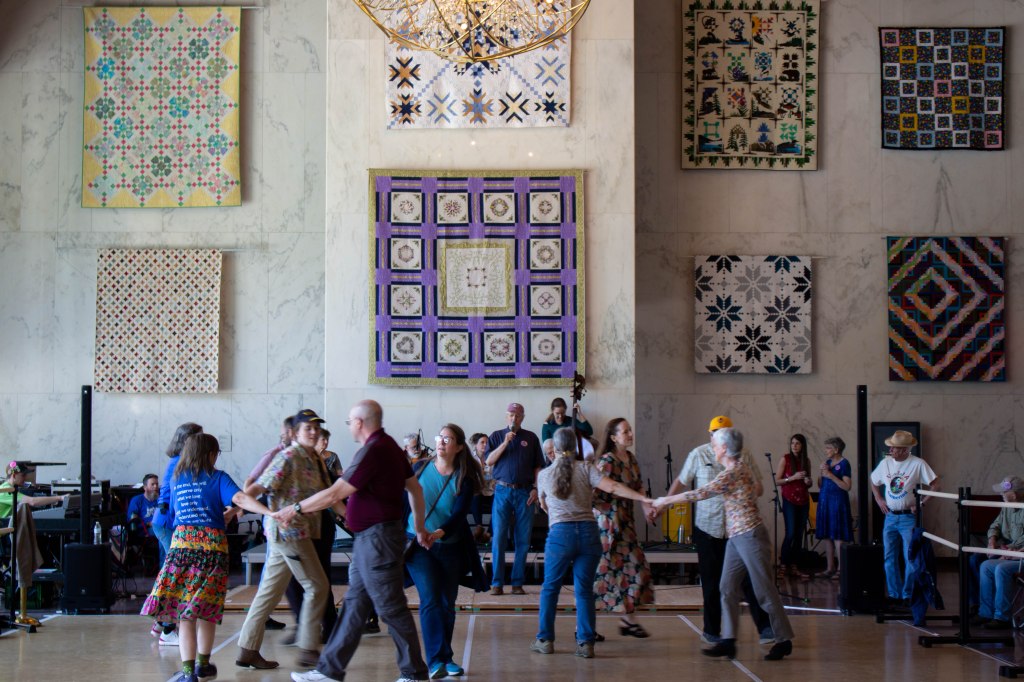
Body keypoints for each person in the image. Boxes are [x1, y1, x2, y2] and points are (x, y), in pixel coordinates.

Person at [279, 399, 431, 682]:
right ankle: (330, 670)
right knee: (354, 606)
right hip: (371, 540)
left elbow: (335, 493)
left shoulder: (374, 451)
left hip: (378, 541)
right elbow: (416, 491)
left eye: (350, 422)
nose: (349, 427)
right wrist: (419, 527)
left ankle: (414, 672)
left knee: (390, 605)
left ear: (359, 423)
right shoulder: (391, 449)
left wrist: (295, 508)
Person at [141, 433, 275, 682]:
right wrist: (269, 512)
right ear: (211, 454)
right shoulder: (218, 477)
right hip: (212, 549)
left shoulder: (177, 478)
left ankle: (189, 672)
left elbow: (173, 513)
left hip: (181, 547)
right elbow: (240, 498)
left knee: (185, 613)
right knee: (207, 608)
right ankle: (203, 664)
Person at [654, 428, 795, 661]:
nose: (713, 447)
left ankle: (783, 639)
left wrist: (665, 500)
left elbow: (700, 493)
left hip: (750, 536)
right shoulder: (733, 469)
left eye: (717, 444)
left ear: (726, 449)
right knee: (727, 587)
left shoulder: (734, 472)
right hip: (736, 538)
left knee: (764, 590)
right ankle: (729, 641)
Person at [532, 428, 654, 659]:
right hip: (589, 534)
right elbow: (614, 487)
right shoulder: (587, 469)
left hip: (560, 535)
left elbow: (544, 505)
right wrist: (642, 498)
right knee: (584, 591)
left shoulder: (544, 475)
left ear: (554, 449)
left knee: (550, 589)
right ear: (577, 447)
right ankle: (586, 644)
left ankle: (545, 640)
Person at [236, 409, 331, 671]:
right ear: (296, 432)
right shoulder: (287, 457)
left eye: (316, 428)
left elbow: (328, 496)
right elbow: (254, 489)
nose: (313, 432)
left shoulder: (315, 459)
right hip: (290, 533)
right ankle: (308, 649)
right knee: (317, 586)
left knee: (269, 593)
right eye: (308, 428)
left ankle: (247, 649)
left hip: (297, 534)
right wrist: (260, 510)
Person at [405, 424, 487, 678]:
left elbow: (459, 515)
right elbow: (402, 501)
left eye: (448, 439)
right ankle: (434, 662)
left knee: (446, 603)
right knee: (430, 599)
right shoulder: (419, 468)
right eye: (439, 437)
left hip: (448, 546)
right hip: (418, 545)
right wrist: (420, 532)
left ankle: (445, 657)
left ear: (459, 447)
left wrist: (437, 533)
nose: (441, 442)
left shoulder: (464, 476)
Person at [593, 418, 654, 636]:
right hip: (607, 526)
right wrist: (642, 500)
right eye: (625, 431)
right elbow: (611, 489)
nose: (630, 434)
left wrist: (646, 506)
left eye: (630, 430)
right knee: (602, 575)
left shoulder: (631, 458)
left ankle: (628, 620)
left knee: (636, 568)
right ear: (613, 437)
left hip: (626, 524)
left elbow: (638, 486)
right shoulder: (606, 461)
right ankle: (584, 626)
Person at [870, 429, 940, 605]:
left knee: (910, 557)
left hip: (908, 517)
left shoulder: (918, 463)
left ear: (904, 449)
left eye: (894, 448)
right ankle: (894, 594)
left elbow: (935, 484)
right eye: (891, 448)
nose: (891, 451)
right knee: (889, 556)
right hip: (890, 516)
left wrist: (922, 503)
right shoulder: (885, 462)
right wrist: (879, 499)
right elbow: (873, 480)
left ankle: (907, 594)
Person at [150, 422, 204, 645]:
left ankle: (161, 624)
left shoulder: (183, 462)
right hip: (167, 523)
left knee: (172, 573)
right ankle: (166, 628)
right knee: (174, 575)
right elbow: (173, 497)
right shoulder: (178, 463)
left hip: (170, 523)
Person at [243, 414, 297, 632]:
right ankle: (259, 620)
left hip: (292, 527)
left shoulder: (300, 457)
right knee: (272, 579)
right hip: (277, 523)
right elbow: (250, 483)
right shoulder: (276, 455)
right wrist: (244, 506)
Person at [485, 402, 545, 596]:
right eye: (511, 415)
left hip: (525, 492)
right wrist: (505, 442)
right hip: (502, 491)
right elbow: (489, 461)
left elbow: (538, 467)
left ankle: (517, 583)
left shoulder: (531, 438)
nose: (514, 418)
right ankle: (497, 583)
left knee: (523, 539)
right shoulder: (495, 436)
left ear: (523, 418)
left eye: (518, 415)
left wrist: (537, 488)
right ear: (506, 417)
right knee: (499, 538)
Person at [973, 476, 1024, 629]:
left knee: (1001, 569)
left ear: (1014, 495)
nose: (1001, 495)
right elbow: (995, 525)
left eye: (1003, 492)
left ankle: (1002, 616)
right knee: (985, 566)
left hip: (1020, 555)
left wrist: (1011, 550)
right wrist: (992, 540)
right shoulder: (1006, 506)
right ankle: (986, 612)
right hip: (1012, 551)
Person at [774, 433, 812, 578]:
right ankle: (783, 565)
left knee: (799, 534)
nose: (794, 446)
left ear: (802, 445)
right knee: (790, 533)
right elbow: (777, 481)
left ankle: (794, 566)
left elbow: (809, 482)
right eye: (792, 443)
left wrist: (808, 481)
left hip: (803, 500)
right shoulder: (786, 459)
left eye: (797, 443)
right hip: (789, 499)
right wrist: (792, 478)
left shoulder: (806, 461)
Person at [815, 436, 853, 580]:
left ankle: (841, 569)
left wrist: (831, 475)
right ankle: (829, 568)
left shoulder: (844, 464)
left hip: (838, 502)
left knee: (838, 536)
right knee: (827, 536)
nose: (826, 451)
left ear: (836, 449)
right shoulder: (828, 462)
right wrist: (821, 472)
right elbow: (820, 484)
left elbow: (847, 486)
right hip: (825, 502)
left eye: (828, 448)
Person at [1, 461, 68, 518]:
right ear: (14, 476)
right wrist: (60, 498)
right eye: (23, 475)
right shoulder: (6, 490)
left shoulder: (9, 488)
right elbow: (32, 502)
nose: (25, 478)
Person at [469, 432, 494, 544]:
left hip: (490, 490)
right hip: (477, 489)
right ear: (475, 444)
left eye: (487, 442)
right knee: (475, 495)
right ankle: (479, 526)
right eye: (482, 442)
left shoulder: (493, 456)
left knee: (499, 502)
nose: (485, 445)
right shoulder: (470, 459)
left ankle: (489, 533)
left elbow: (496, 476)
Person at [126, 473, 161, 538]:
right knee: (162, 532)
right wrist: (148, 524)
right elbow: (132, 521)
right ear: (145, 487)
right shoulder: (137, 500)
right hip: (144, 530)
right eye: (152, 484)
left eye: (157, 484)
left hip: (160, 527)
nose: (156, 487)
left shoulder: (160, 500)